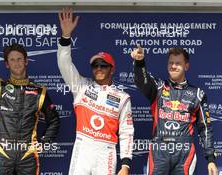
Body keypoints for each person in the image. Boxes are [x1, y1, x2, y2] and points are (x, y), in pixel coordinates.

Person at [0, 23, 60, 175]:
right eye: (12, 60)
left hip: (28, 157)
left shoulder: (39, 91)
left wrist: (44, 143)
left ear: (26, 61)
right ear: (7, 64)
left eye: (20, 59)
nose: (17, 63)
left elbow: (54, 120)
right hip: (3, 156)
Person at [57, 8, 134, 175]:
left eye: (103, 65)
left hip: (106, 151)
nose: (98, 68)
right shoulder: (81, 86)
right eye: (95, 65)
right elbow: (64, 64)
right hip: (83, 146)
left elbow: (127, 132)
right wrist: (65, 36)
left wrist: (126, 164)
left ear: (112, 69)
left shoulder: (122, 97)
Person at [131, 46, 218, 175]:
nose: (173, 66)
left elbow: (205, 127)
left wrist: (210, 158)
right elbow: (141, 81)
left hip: (185, 153)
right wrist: (139, 63)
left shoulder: (197, 94)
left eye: (178, 63)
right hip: (159, 151)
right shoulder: (158, 87)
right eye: (171, 63)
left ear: (186, 66)